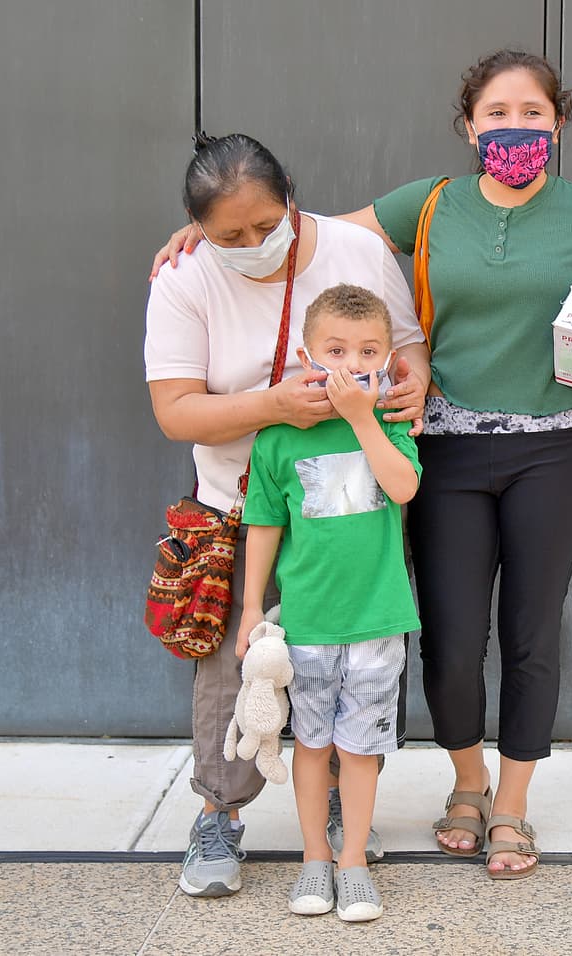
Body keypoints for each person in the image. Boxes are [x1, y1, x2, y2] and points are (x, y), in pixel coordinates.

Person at [151, 50, 572, 881]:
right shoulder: (431, 204)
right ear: (468, 123)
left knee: (527, 632)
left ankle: (507, 808)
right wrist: (210, 229)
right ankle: (453, 787)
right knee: (443, 638)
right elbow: (299, 231)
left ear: (558, 123)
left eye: (531, 113)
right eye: (496, 113)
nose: (513, 128)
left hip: (553, 447)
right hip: (443, 452)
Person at [144, 133, 429, 899]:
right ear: (196, 228)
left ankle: (341, 817)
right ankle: (219, 813)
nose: (251, 245)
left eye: (265, 226)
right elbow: (175, 410)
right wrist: (273, 408)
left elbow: (406, 348)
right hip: (243, 501)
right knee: (237, 668)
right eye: (228, 235)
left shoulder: (354, 251)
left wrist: (407, 391)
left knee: (352, 659)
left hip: (350, 500)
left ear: (292, 199)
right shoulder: (185, 277)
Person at [237, 283, 420, 922]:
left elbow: (402, 489)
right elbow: (263, 523)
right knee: (311, 745)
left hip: (377, 619)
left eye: (368, 349)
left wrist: (365, 415)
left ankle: (354, 863)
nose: (351, 362)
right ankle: (315, 858)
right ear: (307, 353)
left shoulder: (391, 421)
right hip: (308, 621)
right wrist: (251, 609)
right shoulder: (279, 438)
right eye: (336, 349)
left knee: (362, 750)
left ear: (388, 356)